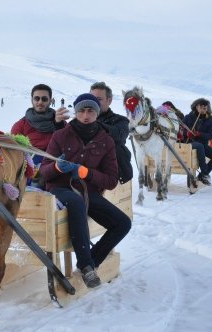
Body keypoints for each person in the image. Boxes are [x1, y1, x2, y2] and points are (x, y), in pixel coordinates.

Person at [40, 93, 131, 288]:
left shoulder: (105, 141)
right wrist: (56, 168)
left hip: (89, 192)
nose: (86, 115)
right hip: (60, 189)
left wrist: (86, 173)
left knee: (123, 224)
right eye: (81, 110)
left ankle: (89, 261)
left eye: (91, 110)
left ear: (97, 113)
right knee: (75, 201)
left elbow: (111, 180)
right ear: (76, 112)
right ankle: (88, 268)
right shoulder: (60, 135)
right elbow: (44, 173)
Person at [11, 84, 69, 161]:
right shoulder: (21, 125)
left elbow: (70, 145)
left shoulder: (60, 121)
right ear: (32, 100)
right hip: (31, 168)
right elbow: (13, 151)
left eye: (44, 99)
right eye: (37, 98)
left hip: (56, 166)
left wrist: (58, 125)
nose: (40, 102)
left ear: (50, 100)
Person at [90, 81, 133, 184]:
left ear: (109, 101)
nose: (94, 103)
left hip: (109, 173)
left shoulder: (121, 121)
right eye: (92, 99)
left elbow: (117, 135)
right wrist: (58, 123)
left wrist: (92, 123)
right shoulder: (83, 119)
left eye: (99, 99)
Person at [179, 98, 212, 185]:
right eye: (202, 108)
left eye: (205, 108)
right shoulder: (188, 117)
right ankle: (205, 173)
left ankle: (201, 175)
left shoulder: (210, 119)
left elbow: (211, 135)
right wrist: (187, 134)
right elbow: (180, 130)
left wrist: (199, 134)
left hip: (203, 144)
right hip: (189, 143)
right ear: (196, 107)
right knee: (199, 146)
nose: (204, 110)